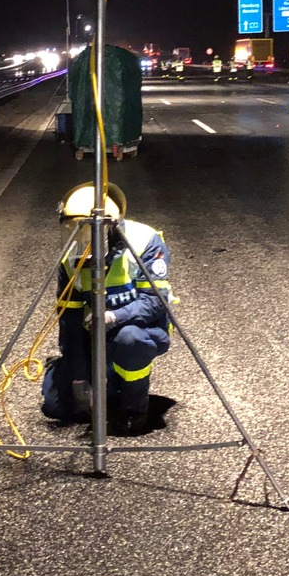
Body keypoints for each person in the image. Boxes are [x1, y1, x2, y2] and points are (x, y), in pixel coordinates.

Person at [41, 182, 176, 435]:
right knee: (57, 406)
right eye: (74, 229)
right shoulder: (71, 259)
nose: (83, 240)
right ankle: (93, 375)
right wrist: (80, 381)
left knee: (129, 340)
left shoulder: (144, 242)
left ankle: (134, 407)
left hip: (140, 330)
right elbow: (69, 322)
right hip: (93, 333)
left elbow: (155, 302)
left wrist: (114, 316)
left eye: (91, 233)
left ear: (111, 229)